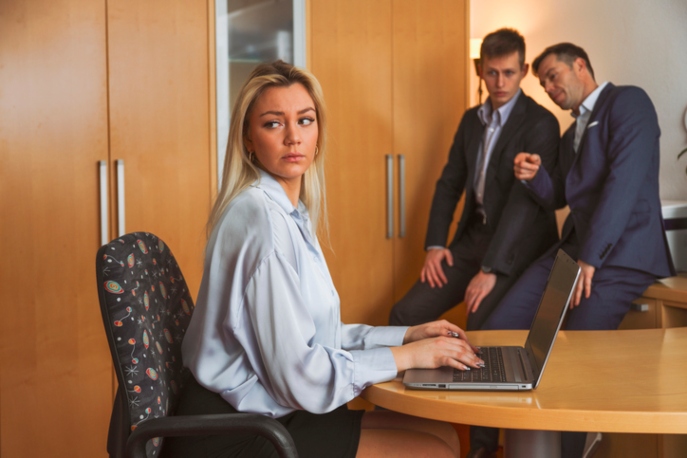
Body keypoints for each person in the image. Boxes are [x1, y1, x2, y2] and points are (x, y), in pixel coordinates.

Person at [164, 60, 486, 458]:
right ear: (248, 138)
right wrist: (408, 358)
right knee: (433, 451)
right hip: (236, 429)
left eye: (304, 121)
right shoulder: (261, 220)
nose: (293, 138)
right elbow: (301, 376)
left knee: (444, 437)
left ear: (318, 134)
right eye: (273, 123)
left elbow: (316, 337)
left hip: (271, 407)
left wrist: (406, 336)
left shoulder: (289, 212)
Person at [484, 42, 676, 458]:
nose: (549, 88)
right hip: (573, 252)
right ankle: (505, 442)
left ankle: (574, 447)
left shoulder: (628, 102)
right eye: (543, 83)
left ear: (581, 65)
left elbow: (621, 186)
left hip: (622, 254)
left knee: (575, 358)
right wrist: (536, 177)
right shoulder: (572, 132)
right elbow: (561, 197)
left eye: (553, 76)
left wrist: (591, 259)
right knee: (500, 325)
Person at [389, 28, 559, 333]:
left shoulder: (541, 123)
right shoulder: (471, 120)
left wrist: (490, 269)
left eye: (509, 72)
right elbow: (449, 184)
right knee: (405, 313)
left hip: (519, 244)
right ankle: (417, 379)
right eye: (492, 73)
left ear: (524, 71)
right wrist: (436, 244)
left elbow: (523, 205)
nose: (500, 82)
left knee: (480, 325)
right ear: (480, 70)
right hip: (472, 239)